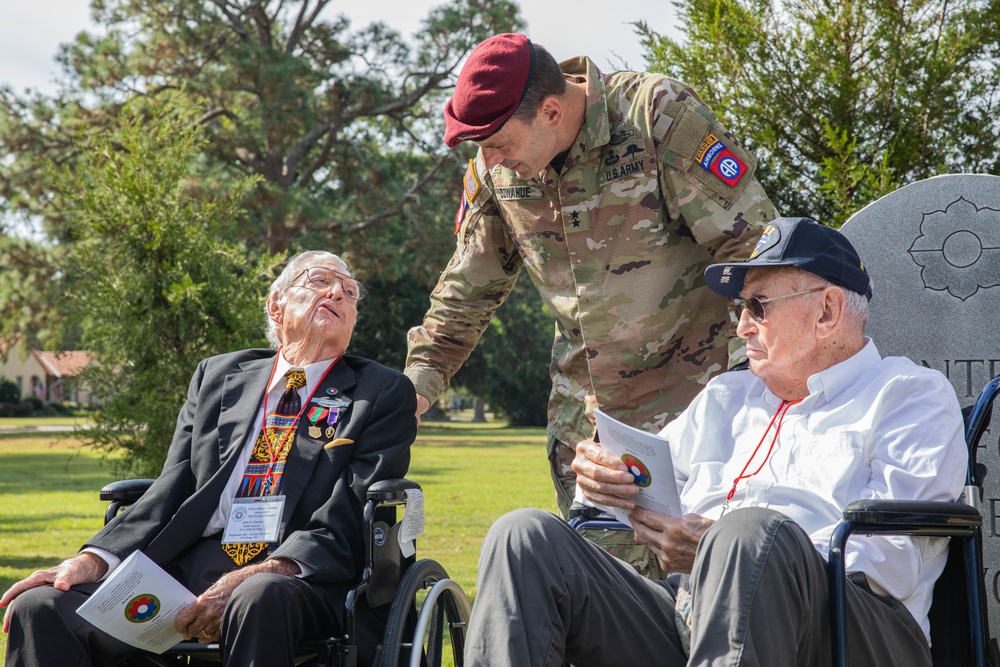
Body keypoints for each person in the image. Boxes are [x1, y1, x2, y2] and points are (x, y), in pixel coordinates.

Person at [463, 217, 968, 666]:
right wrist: (604, 480)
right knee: (524, 536)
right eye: (740, 309)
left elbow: (896, 558)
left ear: (828, 311)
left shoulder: (907, 394)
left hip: (849, 629)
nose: (742, 325)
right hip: (693, 610)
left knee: (747, 535)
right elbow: (642, 487)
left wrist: (729, 553)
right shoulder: (728, 396)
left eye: (758, 306)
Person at [404, 33, 776, 572]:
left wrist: (761, 381)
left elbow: (755, 250)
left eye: (498, 143)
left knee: (706, 596)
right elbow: (466, 291)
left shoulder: (656, 119)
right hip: (589, 437)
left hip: (700, 415)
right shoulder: (497, 170)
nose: (490, 159)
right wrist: (412, 393)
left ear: (551, 111)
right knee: (604, 612)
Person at [1, 251, 416, 667]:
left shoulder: (379, 391)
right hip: (191, 563)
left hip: (298, 575)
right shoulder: (218, 376)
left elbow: (349, 510)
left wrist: (264, 571)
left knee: (257, 594)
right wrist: (92, 560)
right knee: (40, 605)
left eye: (349, 292)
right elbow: (174, 485)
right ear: (276, 306)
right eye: (319, 281)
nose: (337, 294)